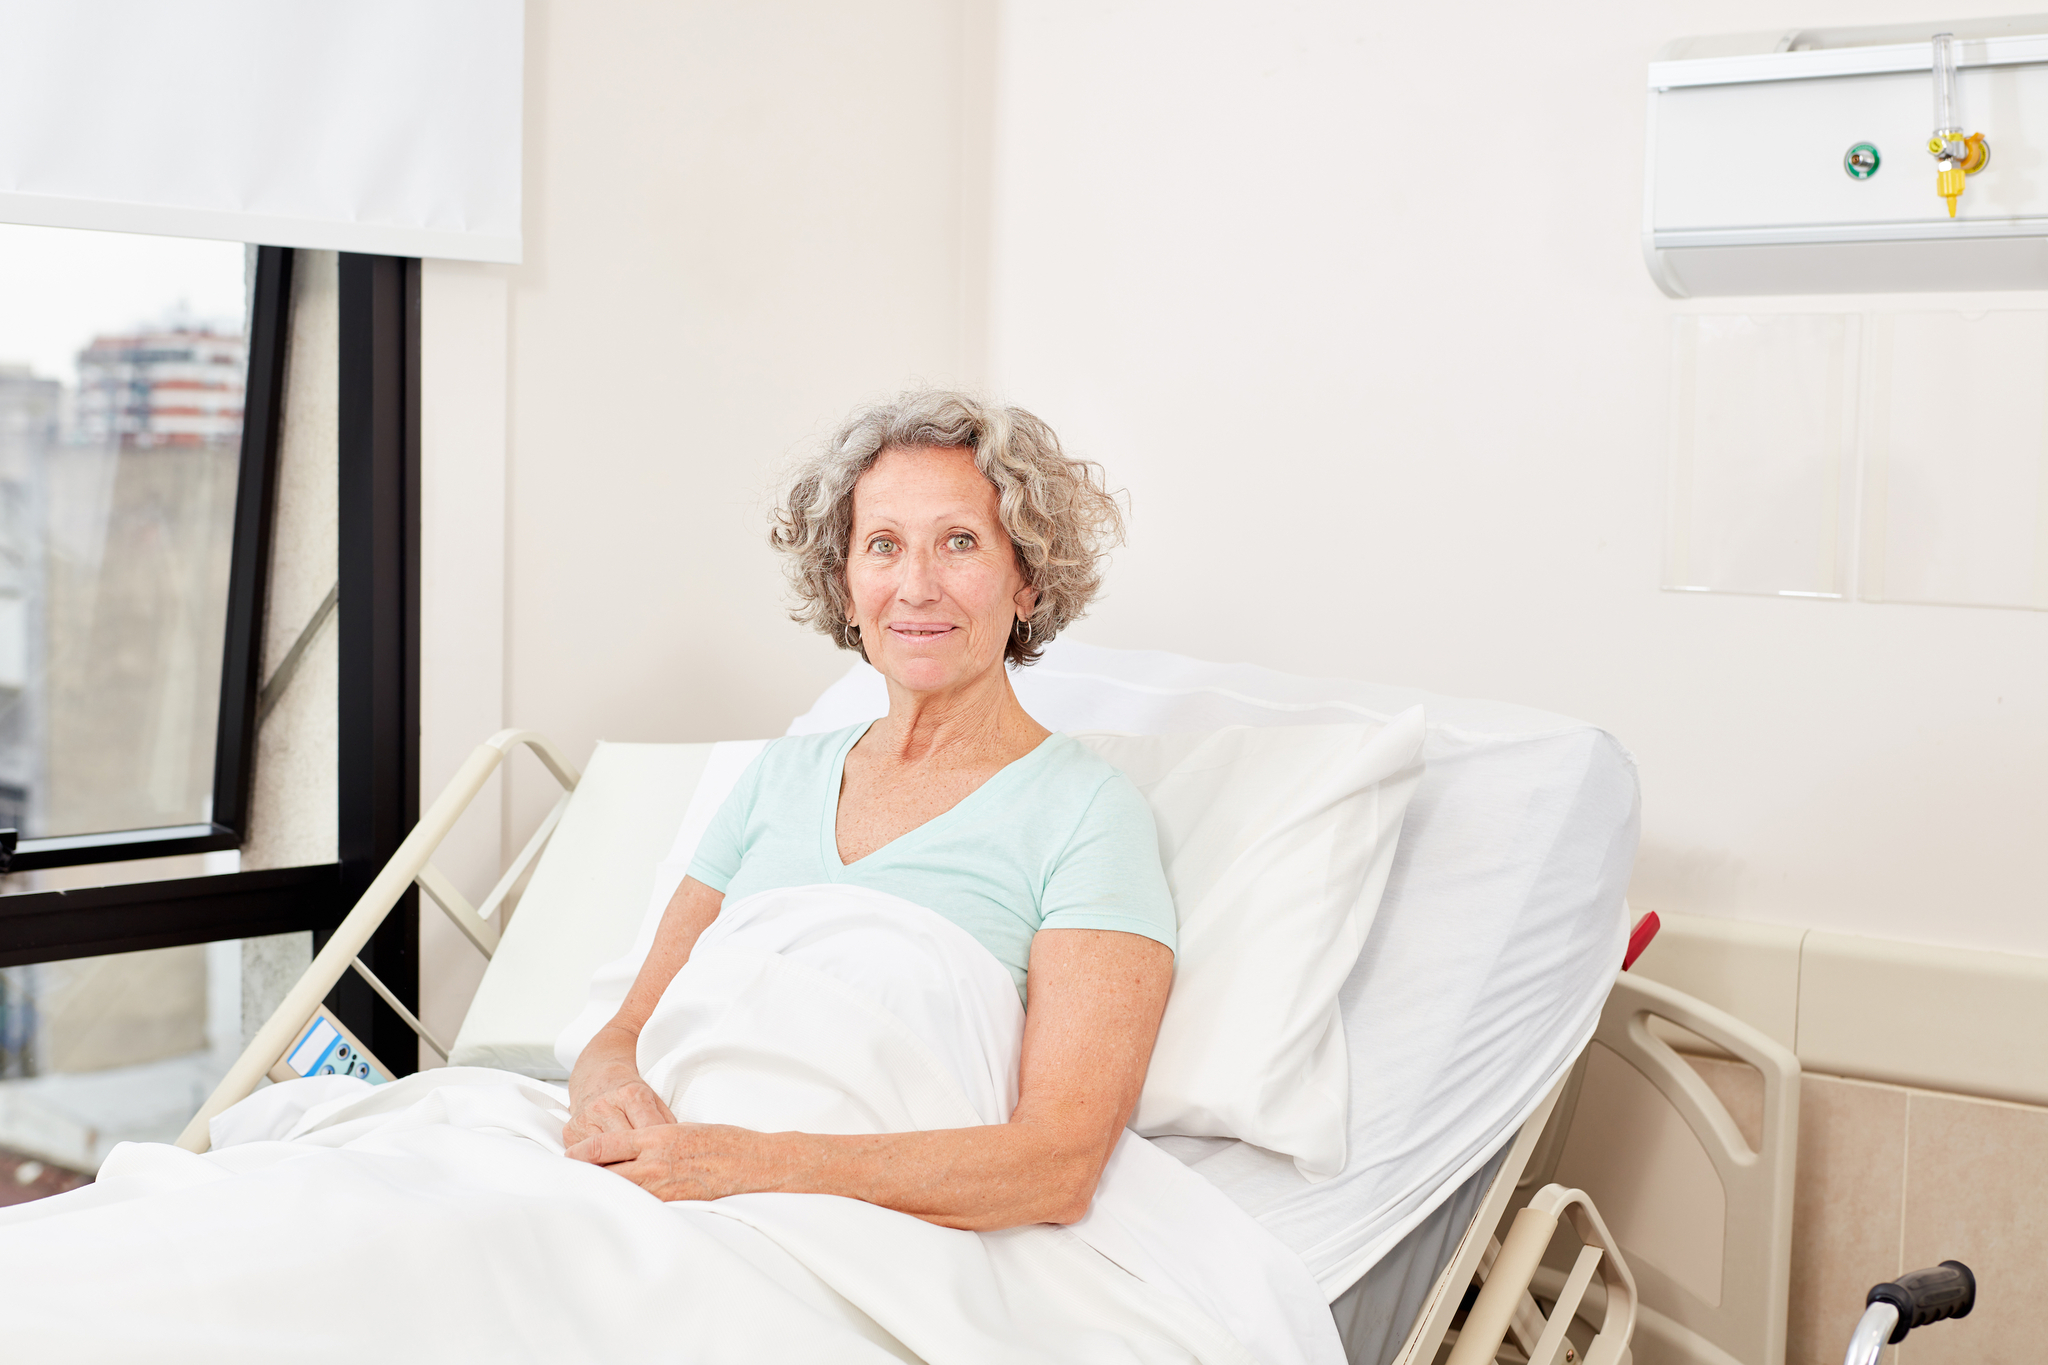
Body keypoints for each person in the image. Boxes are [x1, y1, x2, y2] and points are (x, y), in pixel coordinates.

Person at [563, 391, 1176, 1231]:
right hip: (661, 1183)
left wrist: (749, 1165)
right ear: (846, 589)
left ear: (1028, 581)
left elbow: (1058, 1164)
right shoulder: (777, 777)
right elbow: (623, 1033)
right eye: (883, 545)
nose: (917, 587)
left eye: (959, 542)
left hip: (838, 1222)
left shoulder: (1087, 813)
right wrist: (610, 1099)